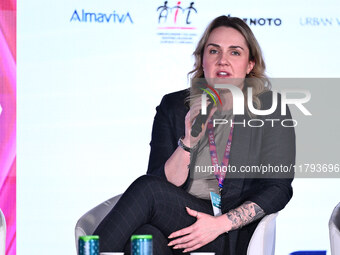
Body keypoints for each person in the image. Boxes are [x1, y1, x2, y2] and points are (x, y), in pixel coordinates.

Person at [94, 15, 295, 255]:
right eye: (213, 51)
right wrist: (188, 142)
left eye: (235, 52)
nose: (223, 61)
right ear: (202, 60)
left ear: (250, 64)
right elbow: (160, 182)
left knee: (148, 191)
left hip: (230, 233)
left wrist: (219, 225)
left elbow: (278, 188)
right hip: (180, 221)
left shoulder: (270, 109)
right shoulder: (175, 106)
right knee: (145, 236)